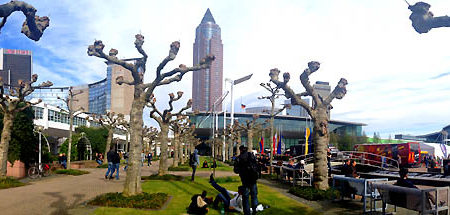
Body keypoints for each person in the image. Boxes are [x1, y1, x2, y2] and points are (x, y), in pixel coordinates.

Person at [234, 146, 259, 215]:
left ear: (240, 150)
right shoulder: (251, 155)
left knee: (246, 197)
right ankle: (254, 209)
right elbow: (256, 165)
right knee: (254, 194)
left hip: (245, 180)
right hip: (252, 178)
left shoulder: (238, 158)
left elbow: (235, 170)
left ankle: (247, 212)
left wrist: (241, 170)